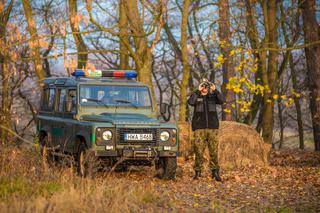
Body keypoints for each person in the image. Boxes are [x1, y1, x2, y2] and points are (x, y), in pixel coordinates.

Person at [187, 79, 225, 181]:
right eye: (203, 87)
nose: (204, 88)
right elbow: (190, 102)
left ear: (208, 88)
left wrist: (215, 90)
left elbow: (222, 100)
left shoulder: (213, 97)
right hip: (199, 128)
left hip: (212, 128)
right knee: (198, 151)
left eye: (206, 87)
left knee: (214, 151)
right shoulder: (196, 97)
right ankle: (198, 172)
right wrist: (197, 91)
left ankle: (215, 172)